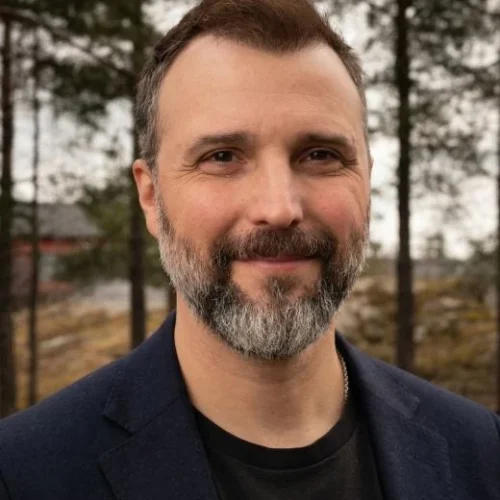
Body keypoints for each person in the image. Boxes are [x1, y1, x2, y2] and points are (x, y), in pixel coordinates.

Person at [1, 0, 499, 498]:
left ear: (366, 180)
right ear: (151, 196)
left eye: (320, 154)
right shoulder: (23, 475)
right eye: (222, 157)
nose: (278, 208)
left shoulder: (483, 454)